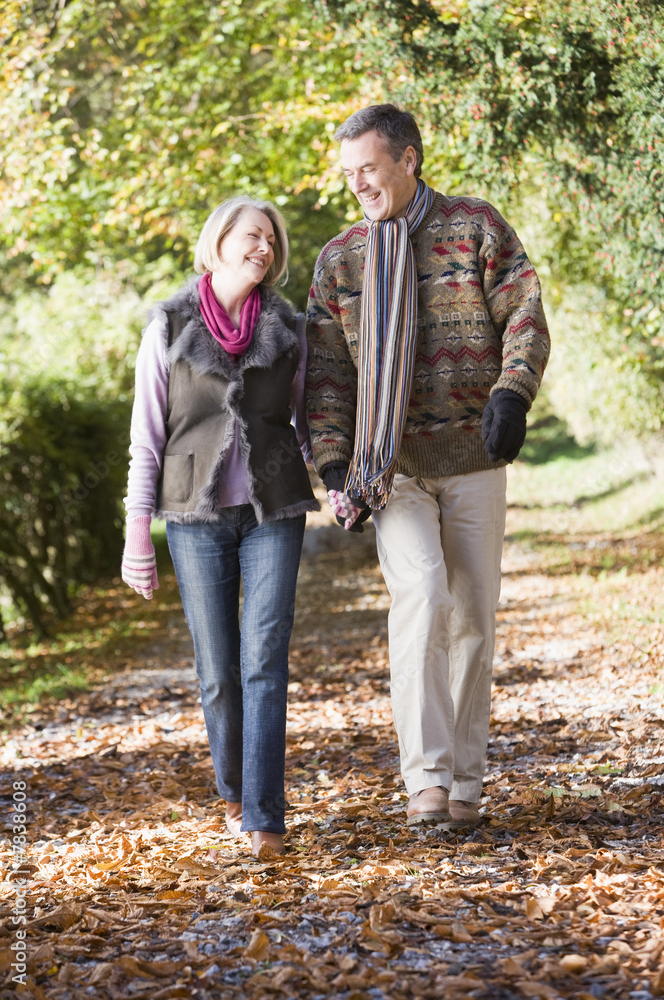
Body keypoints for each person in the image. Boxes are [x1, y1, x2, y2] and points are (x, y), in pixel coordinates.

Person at [306, 104, 550, 830]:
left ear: (408, 159)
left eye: (369, 169)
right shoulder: (341, 258)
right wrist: (331, 468)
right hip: (391, 469)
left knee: (473, 616)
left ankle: (467, 784)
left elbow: (525, 312)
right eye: (348, 174)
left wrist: (512, 392)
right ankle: (427, 783)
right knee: (421, 596)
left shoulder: (475, 226)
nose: (359, 184)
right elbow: (323, 376)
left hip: (475, 454)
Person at [121, 195, 319, 858]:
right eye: (251, 236)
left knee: (264, 658)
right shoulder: (169, 324)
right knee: (217, 669)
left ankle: (264, 815)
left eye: (270, 239)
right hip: (193, 517)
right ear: (219, 241)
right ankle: (232, 786)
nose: (263, 247)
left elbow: (306, 422)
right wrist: (135, 535)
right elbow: (147, 439)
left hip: (274, 511)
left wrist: (343, 480)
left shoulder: (287, 328)